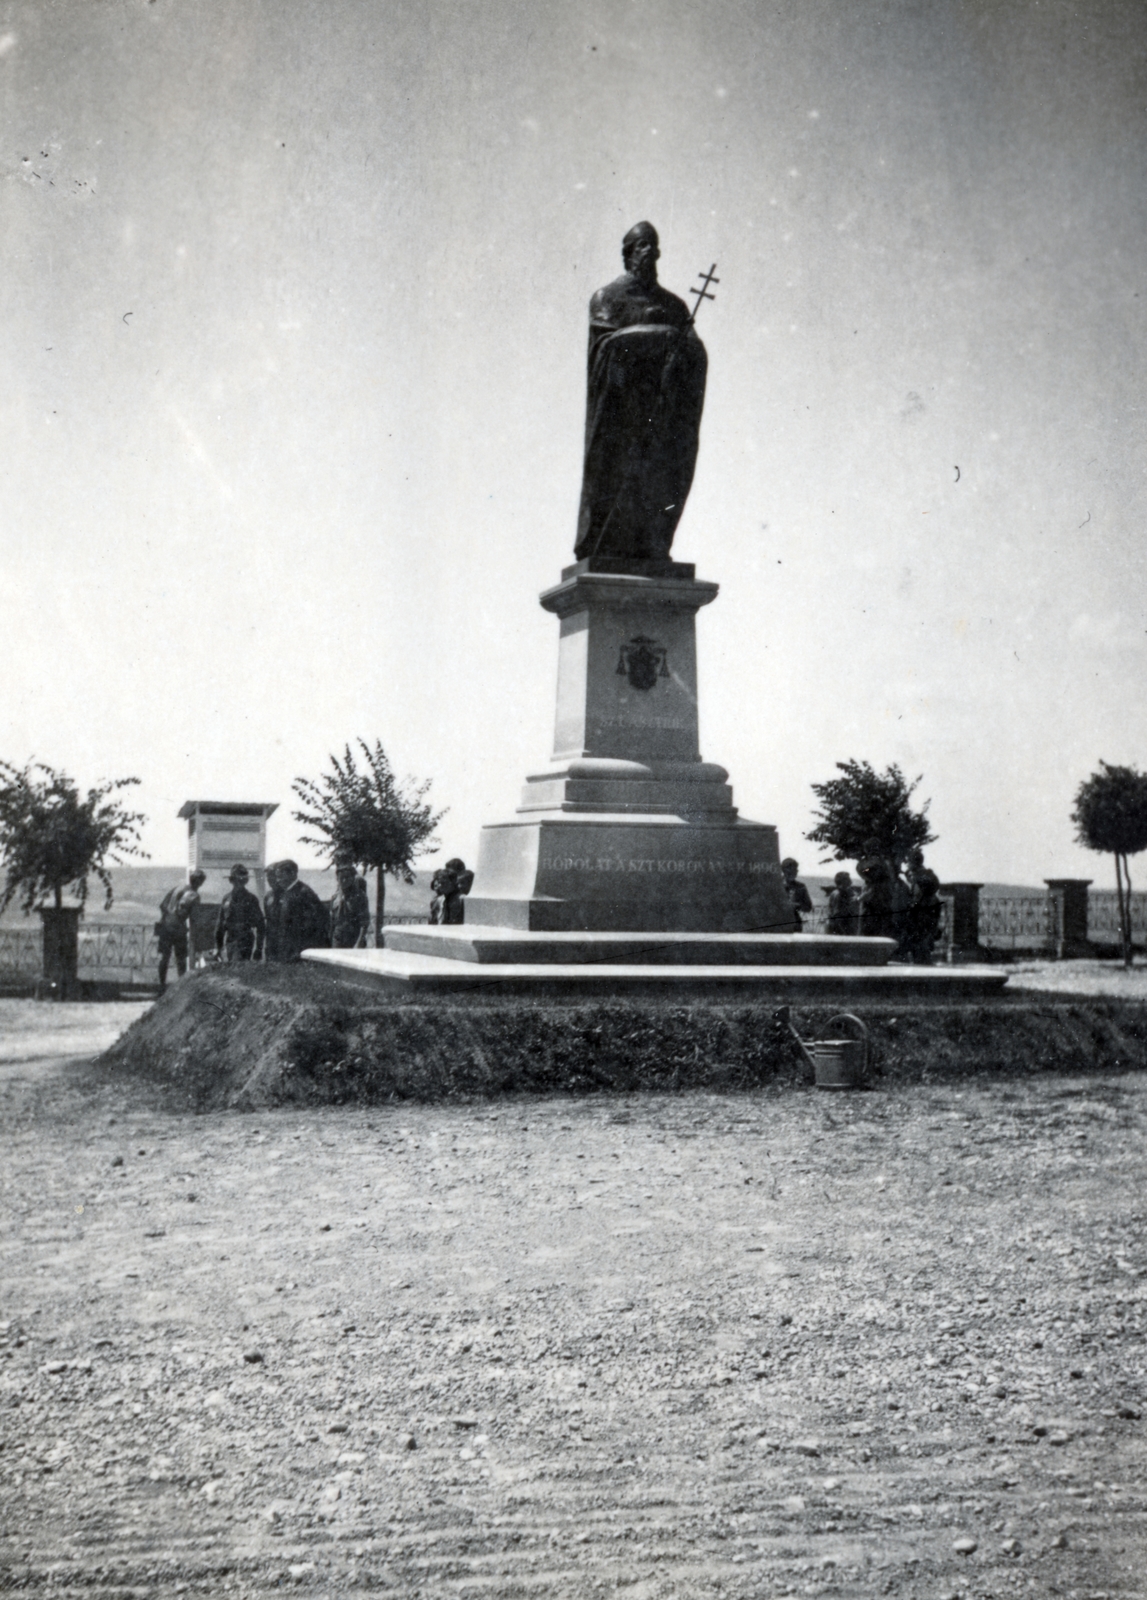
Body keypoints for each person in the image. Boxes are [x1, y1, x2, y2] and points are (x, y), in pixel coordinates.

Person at [575, 221, 708, 563]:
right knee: (617, 478)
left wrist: (681, 350)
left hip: (662, 417)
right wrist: (659, 337)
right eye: (640, 246)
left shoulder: (675, 306)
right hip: (622, 415)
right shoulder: (608, 298)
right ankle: (607, 544)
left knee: (661, 477)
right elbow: (606, 348)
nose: (648, 251)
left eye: (653, 245)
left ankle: (653, 542)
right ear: (628, 255)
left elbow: (695, 353)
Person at [155, 869, 206, 991]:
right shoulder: (193, 895)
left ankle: (161, 985)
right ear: (200, 882)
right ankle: (181, 987)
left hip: (165, 925)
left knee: (164, 957)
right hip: (178, 929)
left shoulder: (177, 888)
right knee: (181, 958)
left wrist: (166, 918)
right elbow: (190, 915)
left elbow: (162, 905)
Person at [274, 859, 330, 961]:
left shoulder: (304, 893)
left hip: (300, 951)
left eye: (281, 876)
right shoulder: (288, 892)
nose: (278, 880)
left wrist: (300, 949)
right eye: (277, 877)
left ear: (292, 874)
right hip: (288, 950)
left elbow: (314, 923)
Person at [214, 863, 266, 964]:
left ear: (246, 881)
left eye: (243, 880)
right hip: (230, 940)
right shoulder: (226, 899)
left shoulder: (251, 899)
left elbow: (261, 926)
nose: (239, 883)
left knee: (239, 967)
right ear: (231, 881)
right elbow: (220, 926)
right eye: (236, 880)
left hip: (245, 940)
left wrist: (259, 949)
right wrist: (218, 948)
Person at [903, 848, 943, 964]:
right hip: (930, 908)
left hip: (922, 911)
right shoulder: (927, 874)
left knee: (920, 942)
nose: (907, 865)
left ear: (913, 863)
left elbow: (918, 894)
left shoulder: (919, 876)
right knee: (924, 941)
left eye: (909, 863)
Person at [857, 837, 897, 940]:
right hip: (881, 902)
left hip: (874, 903)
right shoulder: (885, 863)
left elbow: (863, 870)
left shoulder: (877, 864)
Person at [330, 862, 372, 949]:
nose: (344, 881)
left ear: (353, 878)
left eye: (347, 878)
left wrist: (359, 942)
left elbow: (364, 923)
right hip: (338, 939)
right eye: (341, 878)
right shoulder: (335, 897)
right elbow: (333, 920)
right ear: (337, 879)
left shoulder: (359, 896)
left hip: (354, 938)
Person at [429, 858, 474, 926]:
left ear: (453, 883)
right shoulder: (438, 901)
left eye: (444, 883)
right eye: (440, 882)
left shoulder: (462, 900)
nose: (441, 886)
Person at [780, 857, 813, 932]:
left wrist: (797, 905)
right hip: (778, 922)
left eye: (796, 870)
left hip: (795, 923)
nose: (795, 872)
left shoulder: (801, 886)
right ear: (784, 870)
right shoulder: (776, 885)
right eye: (792, 870)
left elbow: (808, 907)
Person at [826, 870, 859, 935]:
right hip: (843, 928)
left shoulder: (850, 892)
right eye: (847, 879)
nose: (850, 881)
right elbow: (837, 914)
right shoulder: (838, 894)